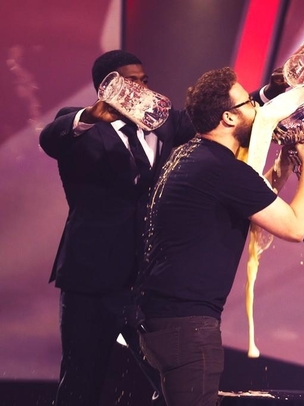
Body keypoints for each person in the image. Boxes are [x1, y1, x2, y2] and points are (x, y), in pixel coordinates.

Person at [39, 50, 286, 406]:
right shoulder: (79, 127)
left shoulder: (164, 124)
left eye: (144, 80)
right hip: (92, 282)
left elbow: (223, 115)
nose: (141, 89)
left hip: (145, 286)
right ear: (106, 87)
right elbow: (51, 139)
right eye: (130, 81)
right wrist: (90, 116)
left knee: (169, 383)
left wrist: (267, 94)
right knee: (82, 382)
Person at [137, 66, 304, 406]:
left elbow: (253, 201)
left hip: (163, 320)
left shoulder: (193, 156)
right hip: (187, 327)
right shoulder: (222, 169)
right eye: (248, 103)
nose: (257, 110)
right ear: (228, 118)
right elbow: (294, 227)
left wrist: (286, 165)